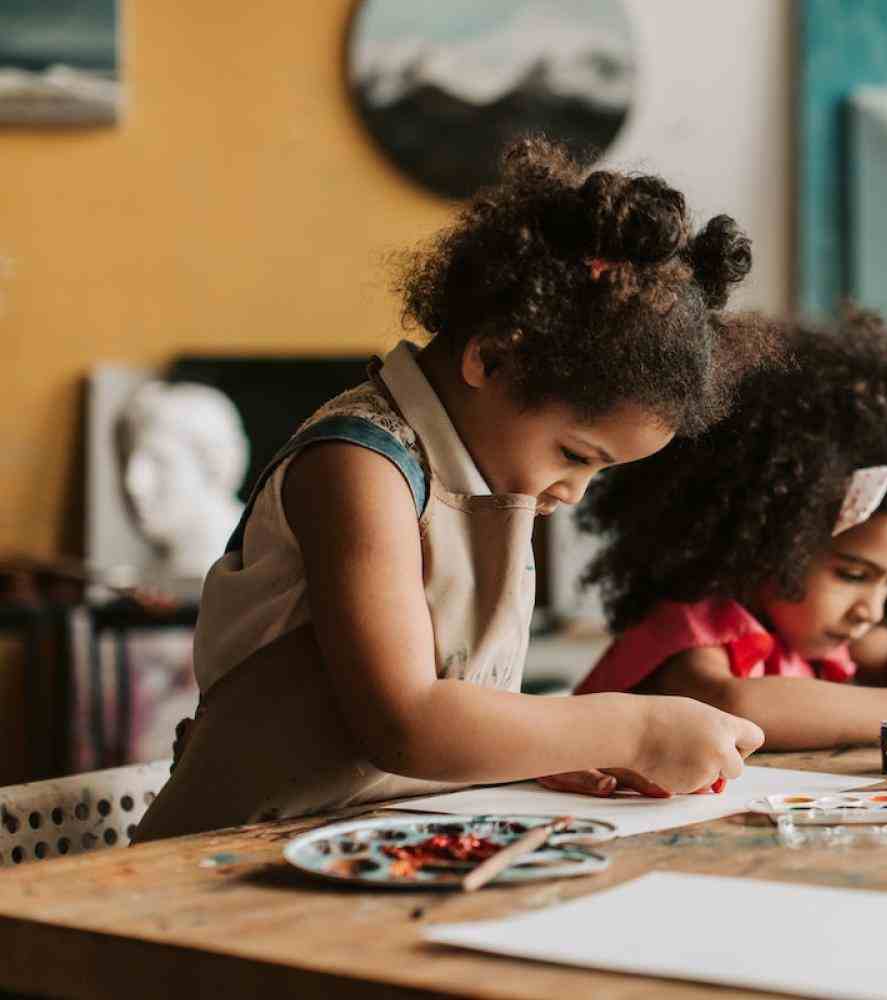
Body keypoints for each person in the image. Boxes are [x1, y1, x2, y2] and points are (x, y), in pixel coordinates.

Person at [136, 138, 771, 840]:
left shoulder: (475, 482)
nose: (574, 493)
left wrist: (537, 757)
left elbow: (452, 711)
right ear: (493, 356)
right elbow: (405, 723)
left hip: (354, 848)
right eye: (574, 455)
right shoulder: (358, 468)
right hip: (217, 868)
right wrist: (634, 725)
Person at [562, 312, 887, 754]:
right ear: (765, 540)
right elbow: (735, 703)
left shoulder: (804, 630)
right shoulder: (691, 630)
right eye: (852, 573)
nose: (871, 608)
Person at [116, 381, 249, 580]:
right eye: (126, 459)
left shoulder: (255, 554)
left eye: (159, 462)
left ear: (211, 466)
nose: (133, 484)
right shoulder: (156, 574)